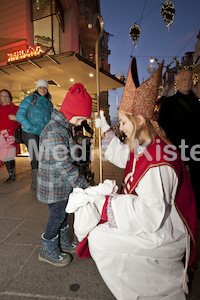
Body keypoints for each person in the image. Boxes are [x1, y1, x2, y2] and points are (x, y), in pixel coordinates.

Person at [66, 60, 197, 299]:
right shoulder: (145, 144)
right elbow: (123, 156)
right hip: (153, 218)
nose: (121, 128)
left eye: (123, 122)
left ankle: (146, 289)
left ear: (139, 120)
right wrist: (105, 131)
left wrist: (108, 205)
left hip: (165, 230)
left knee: (99, 239)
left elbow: (151, 214)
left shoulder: (158, 161)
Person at [37, 83, 92, 267]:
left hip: (59, 184)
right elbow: (64, 166)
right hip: (54, 185)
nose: (81, 122)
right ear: (71, 113)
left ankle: (63, 242)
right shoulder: (55, 131)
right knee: (58, 215)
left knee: (62, 213)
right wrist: (84, 185)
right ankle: (47, 248)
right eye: (80, 118)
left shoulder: (62, 127)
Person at [158, 69, 200, 216]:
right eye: (184, 79)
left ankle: (195, 209)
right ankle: (178, 208)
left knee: (196, 180)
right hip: (177, 148)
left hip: (196, 147)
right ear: (177, 83)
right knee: (178, 179)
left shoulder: (196, 103)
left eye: (190, 79)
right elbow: (163, 124)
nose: (188, 82)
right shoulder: (169, 103)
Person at [16, 79, 54, 191]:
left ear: (47, 89)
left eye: (45, 87)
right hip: (30, 132)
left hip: (43, 134)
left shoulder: (49, 103)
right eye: (40, 87)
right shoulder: (30, 99)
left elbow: (52, 118)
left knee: (44, 157)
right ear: (37, 88)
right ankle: (36, 185)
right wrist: (30, 126)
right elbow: (20, 115)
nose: (42, 89)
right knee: (36, 157)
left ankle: (43, 181)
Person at [0, 89, 20, 182]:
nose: (4, 98)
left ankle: (11, 175)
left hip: (10, 135)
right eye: (2, 96)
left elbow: (24, 120)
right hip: (1, 135)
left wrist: (16, 118)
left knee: (8, 155)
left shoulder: (16, 109)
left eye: (6, 96)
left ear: (10, 97)